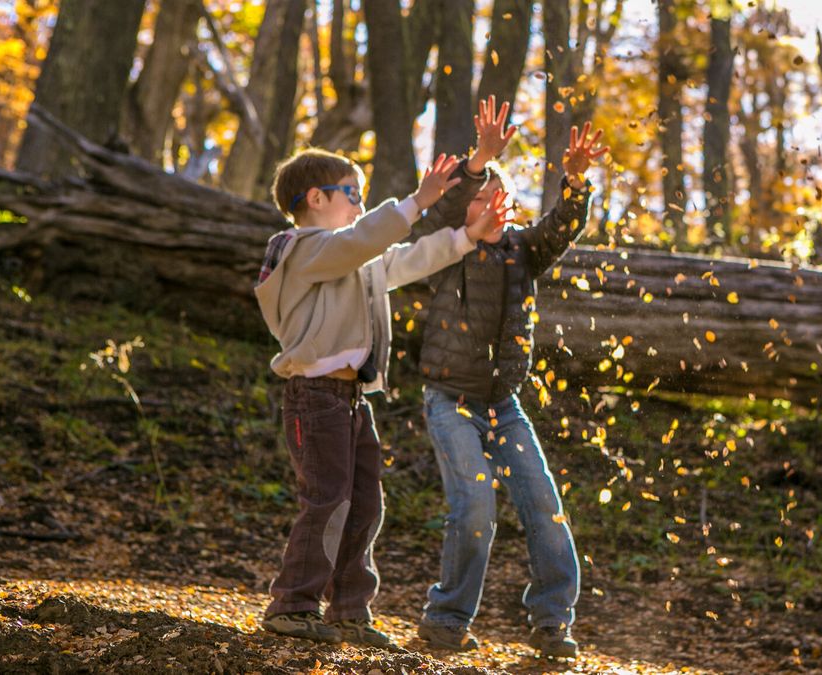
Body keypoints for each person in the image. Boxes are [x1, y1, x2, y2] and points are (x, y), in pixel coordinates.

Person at [253, 103, 514, 646]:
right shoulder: (300, 250)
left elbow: (406, 259)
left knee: (364, 503)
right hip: (314, 397)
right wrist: (418, 200)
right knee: (327, 500)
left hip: (350, 400)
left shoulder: (353, 258)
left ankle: (350, 609)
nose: (361, 205)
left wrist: (467, 237)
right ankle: (292, 605)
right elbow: (360, 243)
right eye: (353, 194)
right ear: (316, 199)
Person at [413, 113, 609, 659]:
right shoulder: (448, 250)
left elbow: (562, 226)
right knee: (474, 505)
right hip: (450, 400)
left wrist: (574, 183)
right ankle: (446, 619)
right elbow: (450, 208)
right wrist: (478, 162)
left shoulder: (524, 250)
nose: (489, 205)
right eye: (480, 198)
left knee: (544, 507)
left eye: (500, 196)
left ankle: (552, 622)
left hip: (504, 405)